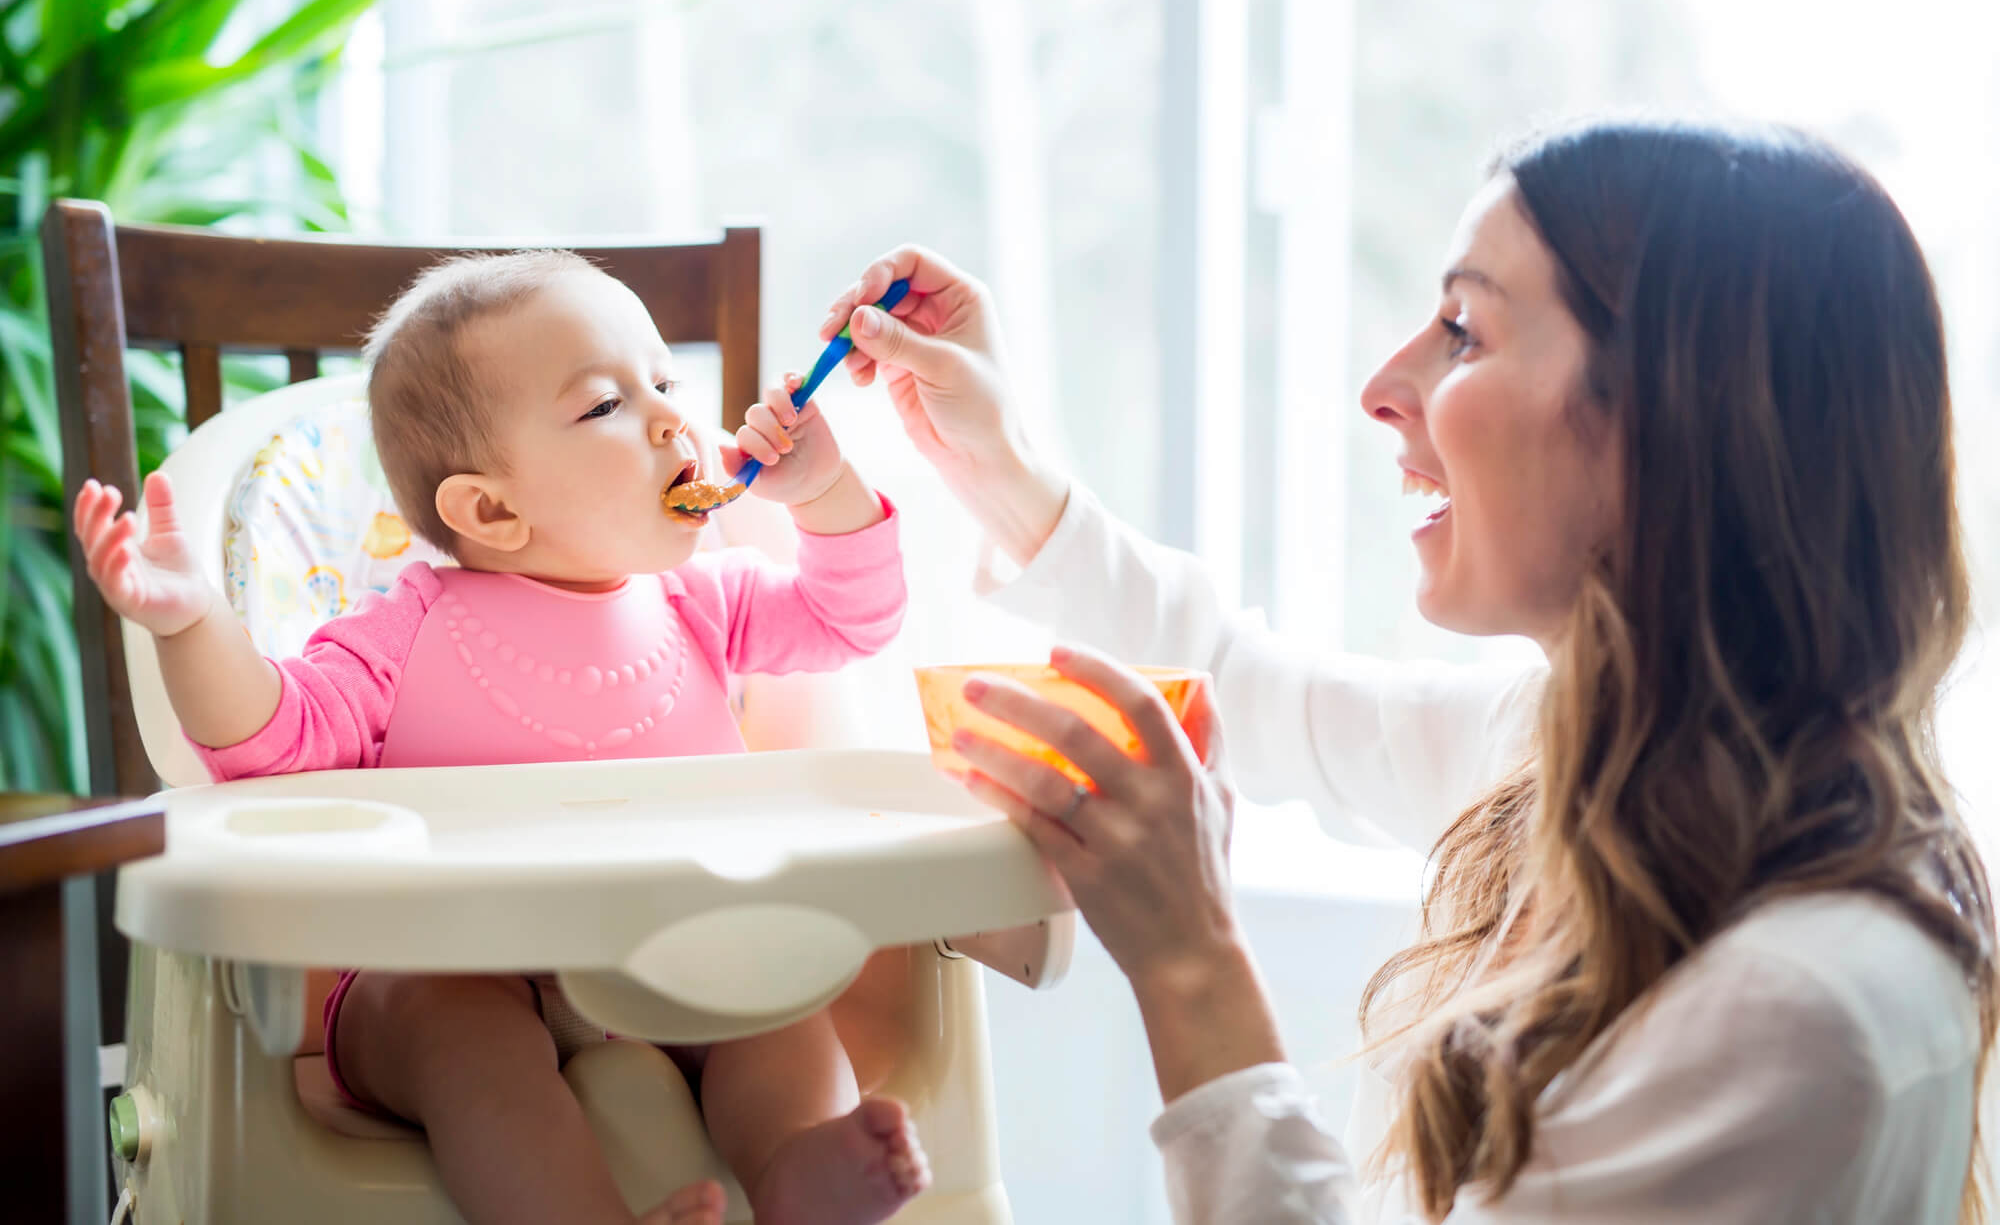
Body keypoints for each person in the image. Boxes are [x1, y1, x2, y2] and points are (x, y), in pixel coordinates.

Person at [819, 118, 1998, 1222]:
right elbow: (1249, 686)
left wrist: (1189, 962)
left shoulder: (1795, 1009)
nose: (1381, 388)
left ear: (1672, 421)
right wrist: (1003, 466)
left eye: (1464, 332)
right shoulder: (1590, 753)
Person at [71, 251, 928, 1225]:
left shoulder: (705, 601)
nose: (665, 417)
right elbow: (273, 742)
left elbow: (847, 617)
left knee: (778, 1014)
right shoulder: (403, 634)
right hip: (439, 969)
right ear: (489, 509)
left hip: (674, 953)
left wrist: (822, 489)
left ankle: (795, 1166)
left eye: (663, 382)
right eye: (604, 405)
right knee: (464, 1045)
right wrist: (191, 624)